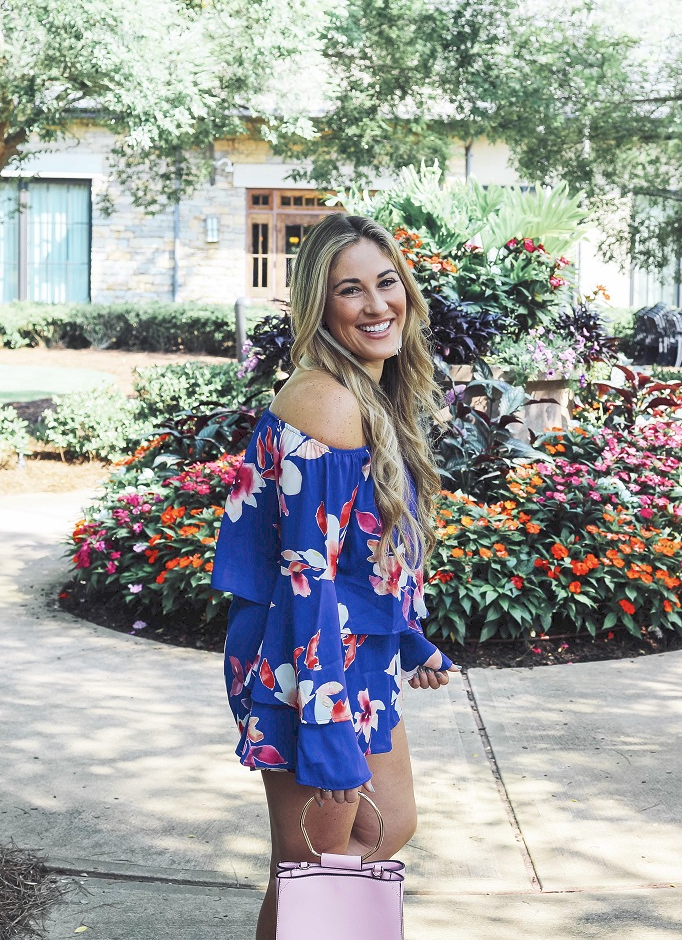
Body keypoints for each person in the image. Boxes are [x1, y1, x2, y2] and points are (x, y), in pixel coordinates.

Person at [212, 213, 457, 940]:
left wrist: (408, 640)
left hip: (354, 653)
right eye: (352, 291)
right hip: (307, 660)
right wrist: (324, 734)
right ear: (321, 307)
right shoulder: (329, 401)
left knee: (379, 832)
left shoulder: (368, 394)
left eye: (387, 283)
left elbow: (359, 555)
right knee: (315, 868)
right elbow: (305, 578)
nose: (378, 305)